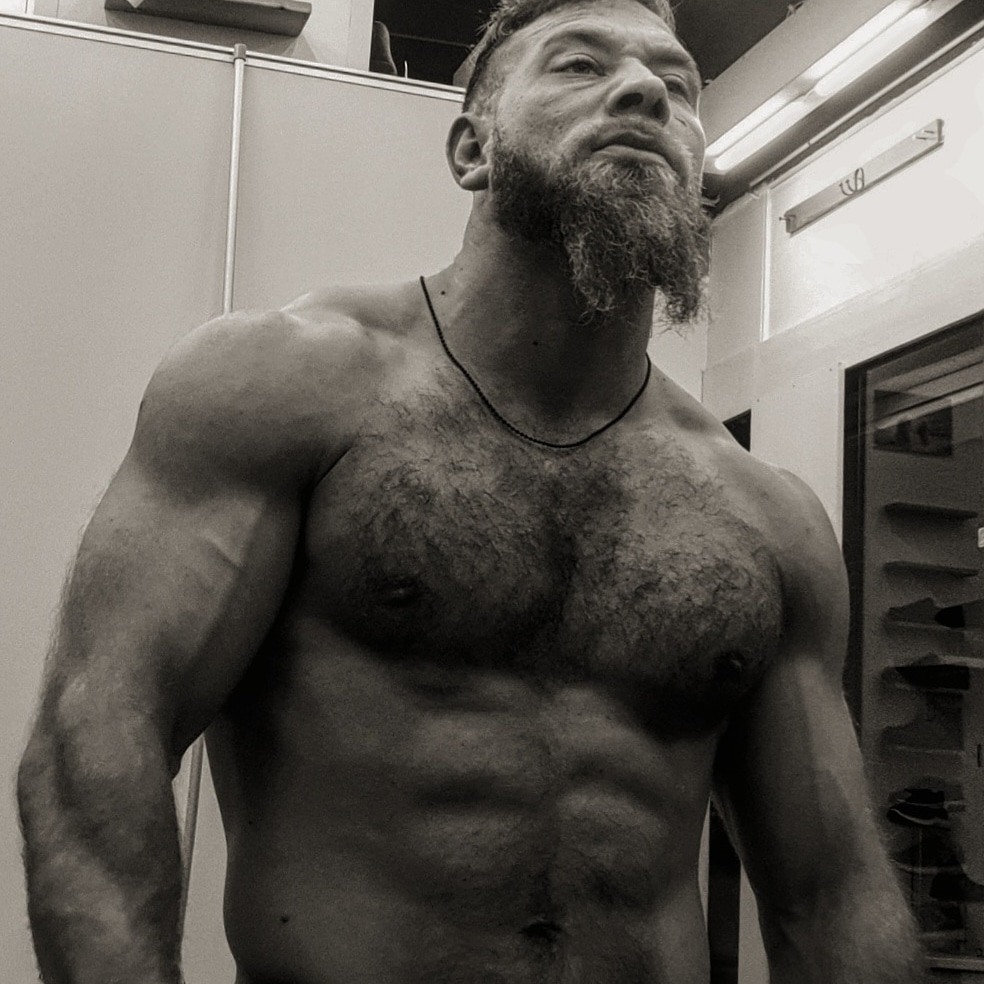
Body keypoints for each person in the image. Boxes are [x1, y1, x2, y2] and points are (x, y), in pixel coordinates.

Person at [17, 0, 923, 981]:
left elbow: (831, 892)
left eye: (677, 85)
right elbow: (93, 742)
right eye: (580, 66)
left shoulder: (766, 516)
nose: (644, 93)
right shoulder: (282, 387)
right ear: (472, 151)